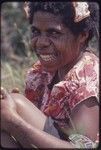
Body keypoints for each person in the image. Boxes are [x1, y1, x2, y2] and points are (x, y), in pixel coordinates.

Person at [1, 2, 99, 148]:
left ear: (82, 36)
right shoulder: (45, 72)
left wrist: (15, 122)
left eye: (54, 33)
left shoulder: (85, 80)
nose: (41, 43)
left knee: (16, 104)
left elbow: (83, 148)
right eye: (35, 32)